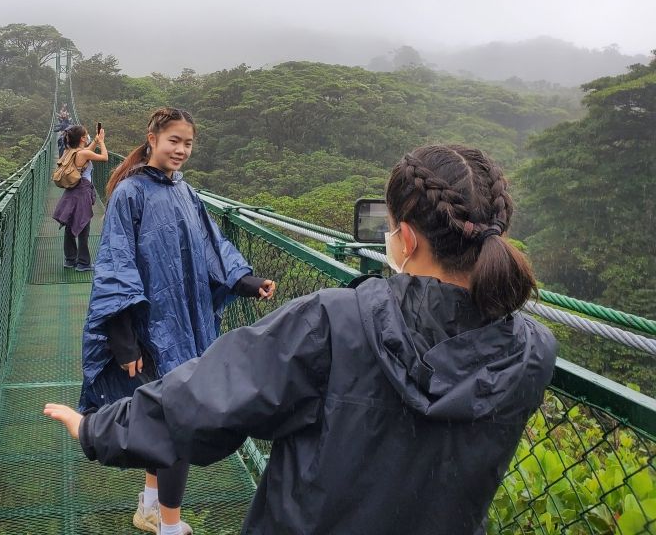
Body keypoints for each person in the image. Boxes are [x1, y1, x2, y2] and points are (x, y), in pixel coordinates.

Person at [45, 144, 558, 535]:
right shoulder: (533, 351)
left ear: (406, 237)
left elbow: (208, 400)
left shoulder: (339, 321)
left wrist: (98, 427)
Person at [70, 107, 276, 535]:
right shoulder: (130, 193)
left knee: (164, 416)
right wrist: (124, 342)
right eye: (174, 141)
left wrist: (246, 281)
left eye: (188, 143)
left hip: (186, 323)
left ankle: (149, 506)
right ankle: (170, 525)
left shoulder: (185, 191)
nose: (181, 150)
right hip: (151, 330)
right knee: (179, 424)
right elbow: (115, 267)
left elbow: (211, 248)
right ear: (152, 138)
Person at [52, 124, 107, 272]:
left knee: (71, 224)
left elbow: (85, 152)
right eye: (87, 135)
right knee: (83, 225)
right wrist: (101, 141)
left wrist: (94, 141)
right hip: (82, 192)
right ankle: (83, 263)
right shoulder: (83, 154)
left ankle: (70, 259)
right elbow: (105, 157)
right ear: (83, 138)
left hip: (71, 192)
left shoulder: (71, 151)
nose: (88, 137)